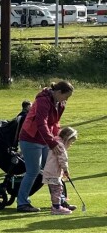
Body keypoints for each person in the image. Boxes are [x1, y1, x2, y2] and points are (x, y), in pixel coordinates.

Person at [16, 80, 73, 213]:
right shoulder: (43, 101)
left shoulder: (60, 103)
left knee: (53, 170)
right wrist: (52, 143)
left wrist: (56, 139)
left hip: (44, 140)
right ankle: (22, 203)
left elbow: (55, 123)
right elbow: (42, 123)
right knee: (33, 171)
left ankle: (59, 202)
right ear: (59, 92)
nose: (66, 99)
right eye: (66, 96)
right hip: (30, 138)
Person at [43, 126, 79, 215]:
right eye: (71, 142)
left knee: (57, 189)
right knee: (57, 189)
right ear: (67, 139)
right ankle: (56, 207)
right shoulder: (60, 146)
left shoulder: (56, 143)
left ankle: (58, 205)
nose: (71, 144)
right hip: (53, 172)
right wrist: (66, 170)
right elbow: (63, 160)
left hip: (52, 171)